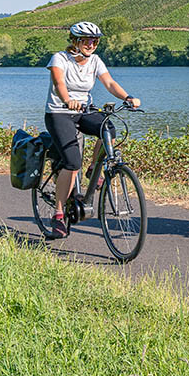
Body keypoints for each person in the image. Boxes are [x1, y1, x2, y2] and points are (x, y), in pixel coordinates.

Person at [43, 21, 140, 239]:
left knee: (109, 129)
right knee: (71, 163)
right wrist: (67, 100)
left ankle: (94, 171)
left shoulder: (95, 61)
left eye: (94, 41)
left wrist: (127, 97)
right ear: (75, 41)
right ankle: (58, 215)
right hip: (59, 113)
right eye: (86, 40)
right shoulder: (60, 59)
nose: (91, 44)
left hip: (83, 111)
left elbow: (110, 83)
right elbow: (59, 83)